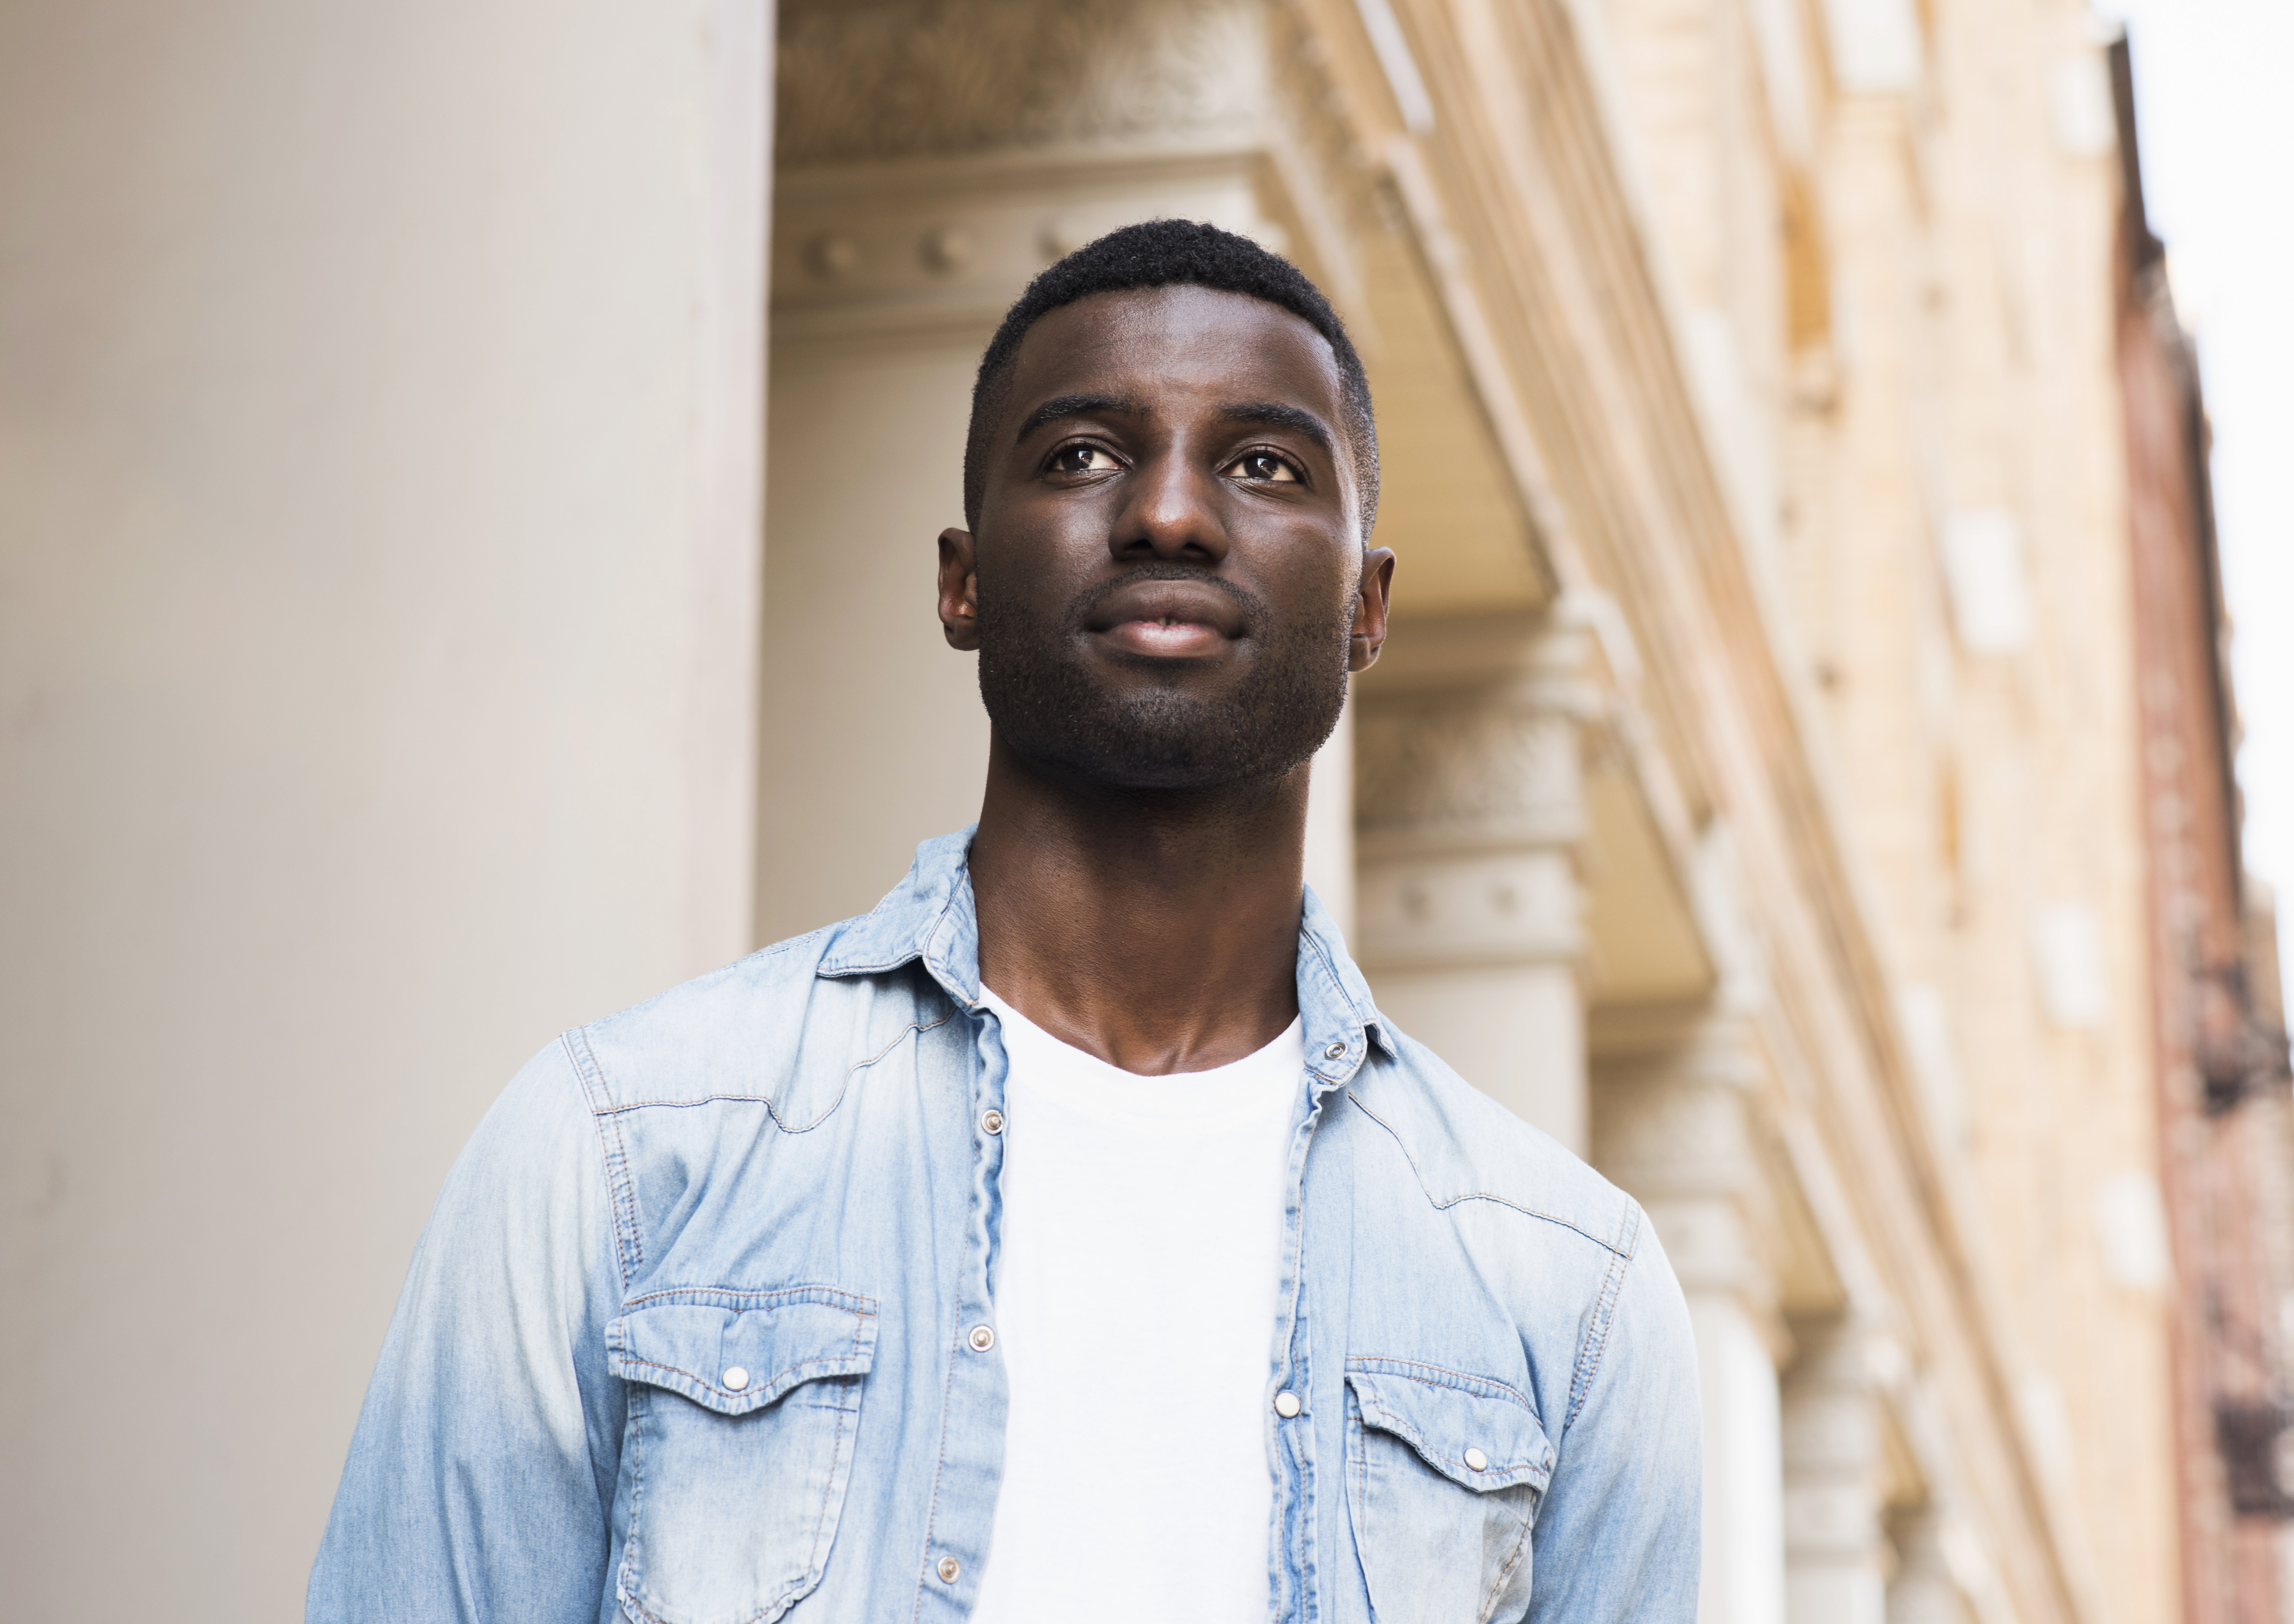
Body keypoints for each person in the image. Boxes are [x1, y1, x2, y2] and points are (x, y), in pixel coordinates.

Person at [309, 220, 1702, 1624]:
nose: (1170, 512)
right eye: (1083, 454)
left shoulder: (1564, 1290)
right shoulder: (625, 1150)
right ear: (962, 581)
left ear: (1368, 605)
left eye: (1266, 465)